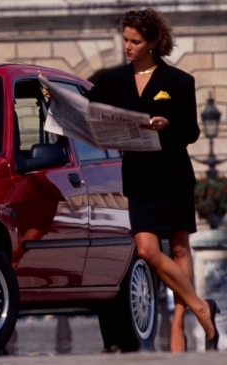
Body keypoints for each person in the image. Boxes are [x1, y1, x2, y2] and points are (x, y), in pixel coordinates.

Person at [44, 7, 220, 352]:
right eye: (124, 39)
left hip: (171, 173)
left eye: (135, 41)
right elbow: (87, 112)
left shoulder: (179, 81)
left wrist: (167, 126)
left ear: (153, 42)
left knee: (180, 245)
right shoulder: (110, 80)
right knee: (147, 250)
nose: (127, 46)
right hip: (138, 176)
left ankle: (178, 325)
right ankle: (202, 307)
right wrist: (58, 102)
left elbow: (192, 131)